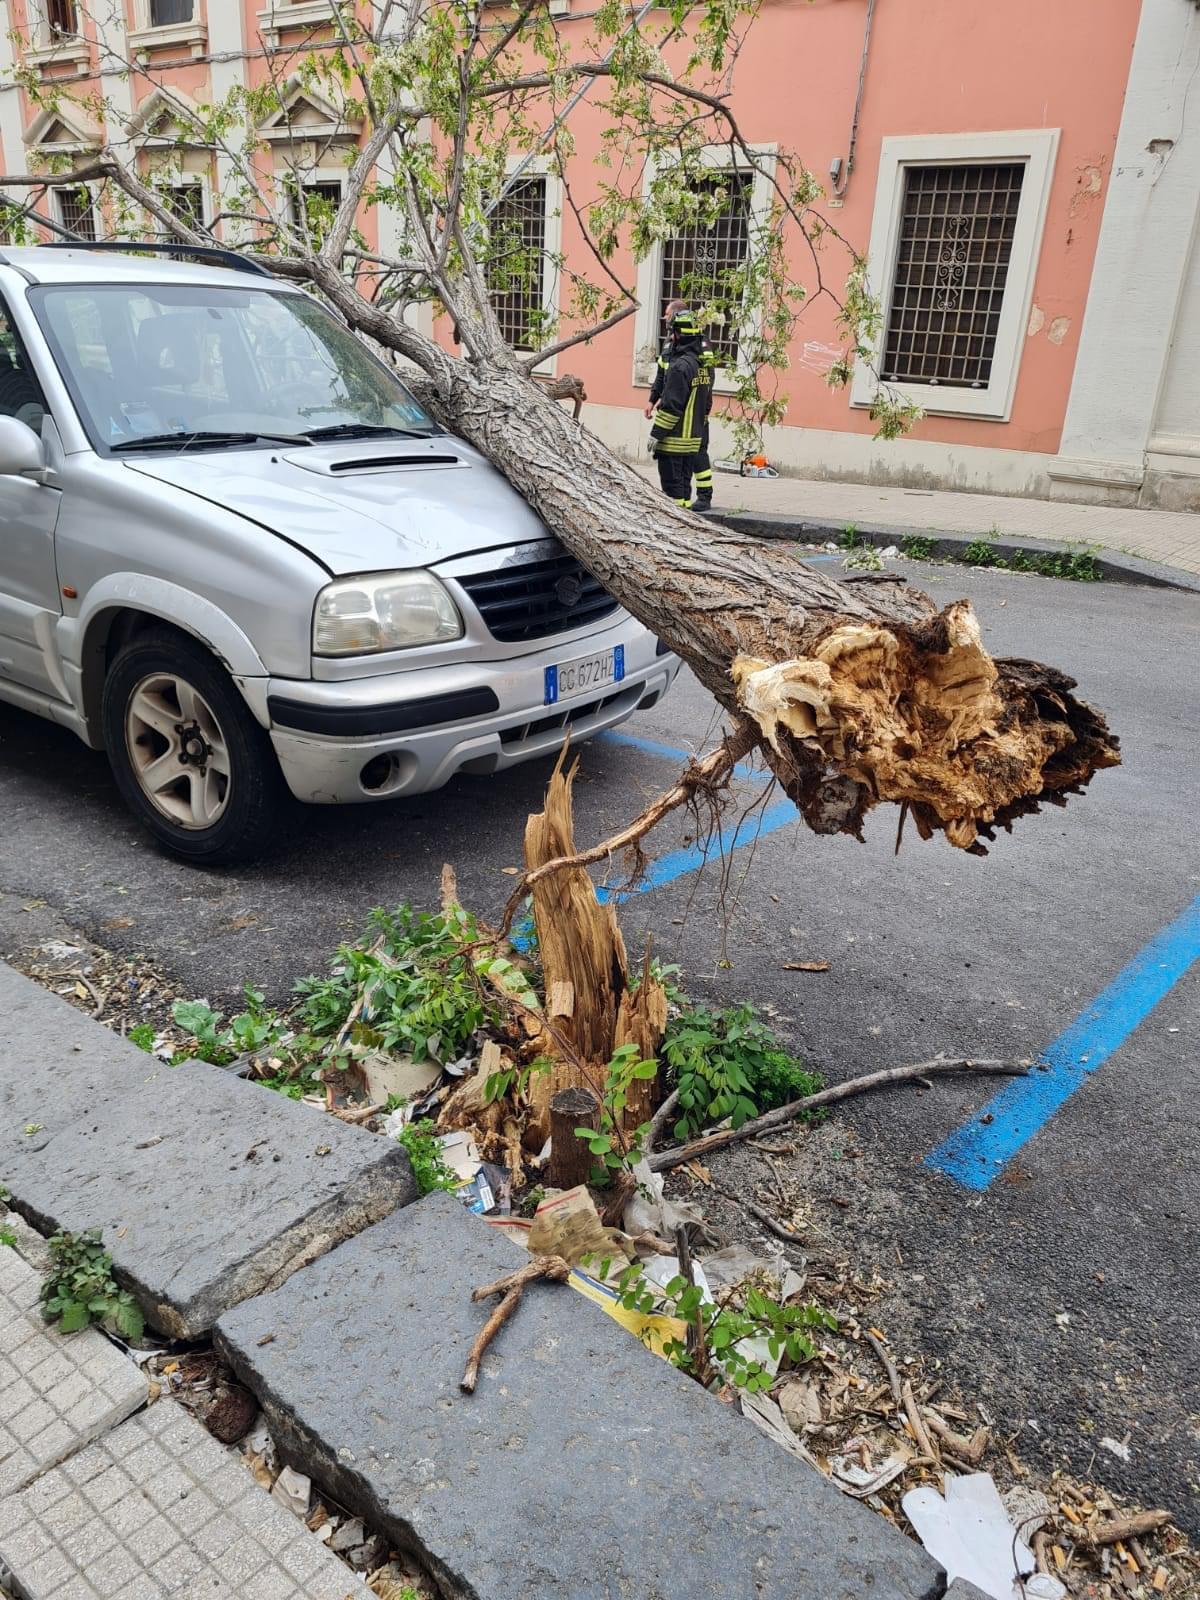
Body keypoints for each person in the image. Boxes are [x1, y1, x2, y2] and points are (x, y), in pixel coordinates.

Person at [646, 301, 716, 511]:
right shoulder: (688, 358)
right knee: (683, 487)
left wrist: (656, 433)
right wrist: (654, 398)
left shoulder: (689, 361)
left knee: (674, 487)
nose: (664, 319)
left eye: (667, 316)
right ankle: (685, 515)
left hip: (677, 434)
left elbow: (675, 404)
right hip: (688, 429)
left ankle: (703, 496)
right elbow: (661, 376)